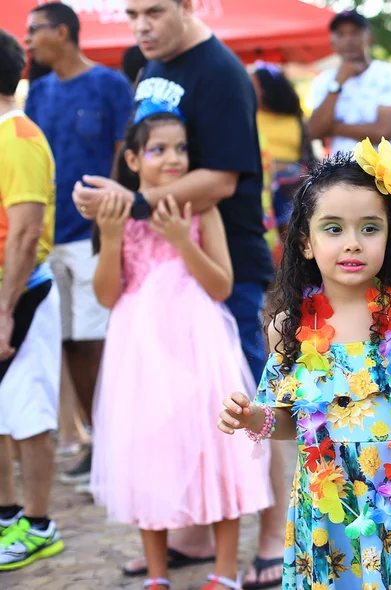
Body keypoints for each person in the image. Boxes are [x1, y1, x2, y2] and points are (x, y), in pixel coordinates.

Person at [69, 1, 286, 586]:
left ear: (187, 5)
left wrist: (130, 207)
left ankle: (273, 535)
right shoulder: (150, 65)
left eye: (155, 11)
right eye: (132, 11)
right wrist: (111, 209)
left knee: (245, 408)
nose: (140, 25)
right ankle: (186, 530)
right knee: (173, 419)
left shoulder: (219, 71)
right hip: (150, 291)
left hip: (224, 265)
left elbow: (222, 178)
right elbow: (142, 153)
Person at [219, 141, 391, 590]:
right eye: (333, 229)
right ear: (305, 242)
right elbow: (289, 419)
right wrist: (253, 417)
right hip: (326, 521)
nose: (352, 243)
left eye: (369, 228)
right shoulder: (288, 328)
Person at [90, 102, 272, 590]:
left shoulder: (201, 208)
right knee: (146, 447)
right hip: (140, 347)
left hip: (198, 339)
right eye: (158, 150)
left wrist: (180, 239)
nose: (172, 159)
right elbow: (107, 294)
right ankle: (156, 574)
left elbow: (221, 285)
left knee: (216, 446)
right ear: (132, 160)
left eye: (181, 149)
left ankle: (226, 570)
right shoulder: (117, 213)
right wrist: (110, 238)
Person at [23, 1, 135, 488]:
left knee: (99, 340)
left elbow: (124, 155)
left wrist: (110, 224)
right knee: (68, 341)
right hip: (52, 237)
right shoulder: (39, 93)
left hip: (96, 236)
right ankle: (96, 442)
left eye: (35, 30)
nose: (27, 40)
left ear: (64, 33)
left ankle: (120, 442)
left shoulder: (109, 84)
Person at [0, 28, 64, 572]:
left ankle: (40, 524)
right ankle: (7, 514)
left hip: (23, 291)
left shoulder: (16, 136)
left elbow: (24, 232)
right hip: (7, 289)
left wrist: (3, 308)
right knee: (3, 413)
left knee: (29, 411)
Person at [309, 10, 391, 237]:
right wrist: (338, 83)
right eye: (341, 34)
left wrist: (334, 126)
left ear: (369, 36)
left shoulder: (389, 74)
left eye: (355, 32)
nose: (348, 39)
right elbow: (314, 130)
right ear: (333, 41)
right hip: (342, 183)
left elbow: (382, 131)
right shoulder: (325, 82)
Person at [250, 61, 308, 239]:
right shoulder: (249, 115)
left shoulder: (294, 118)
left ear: (267, 90)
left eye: (253, 86)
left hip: (290, 186)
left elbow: (304, 154)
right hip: (263, 183)